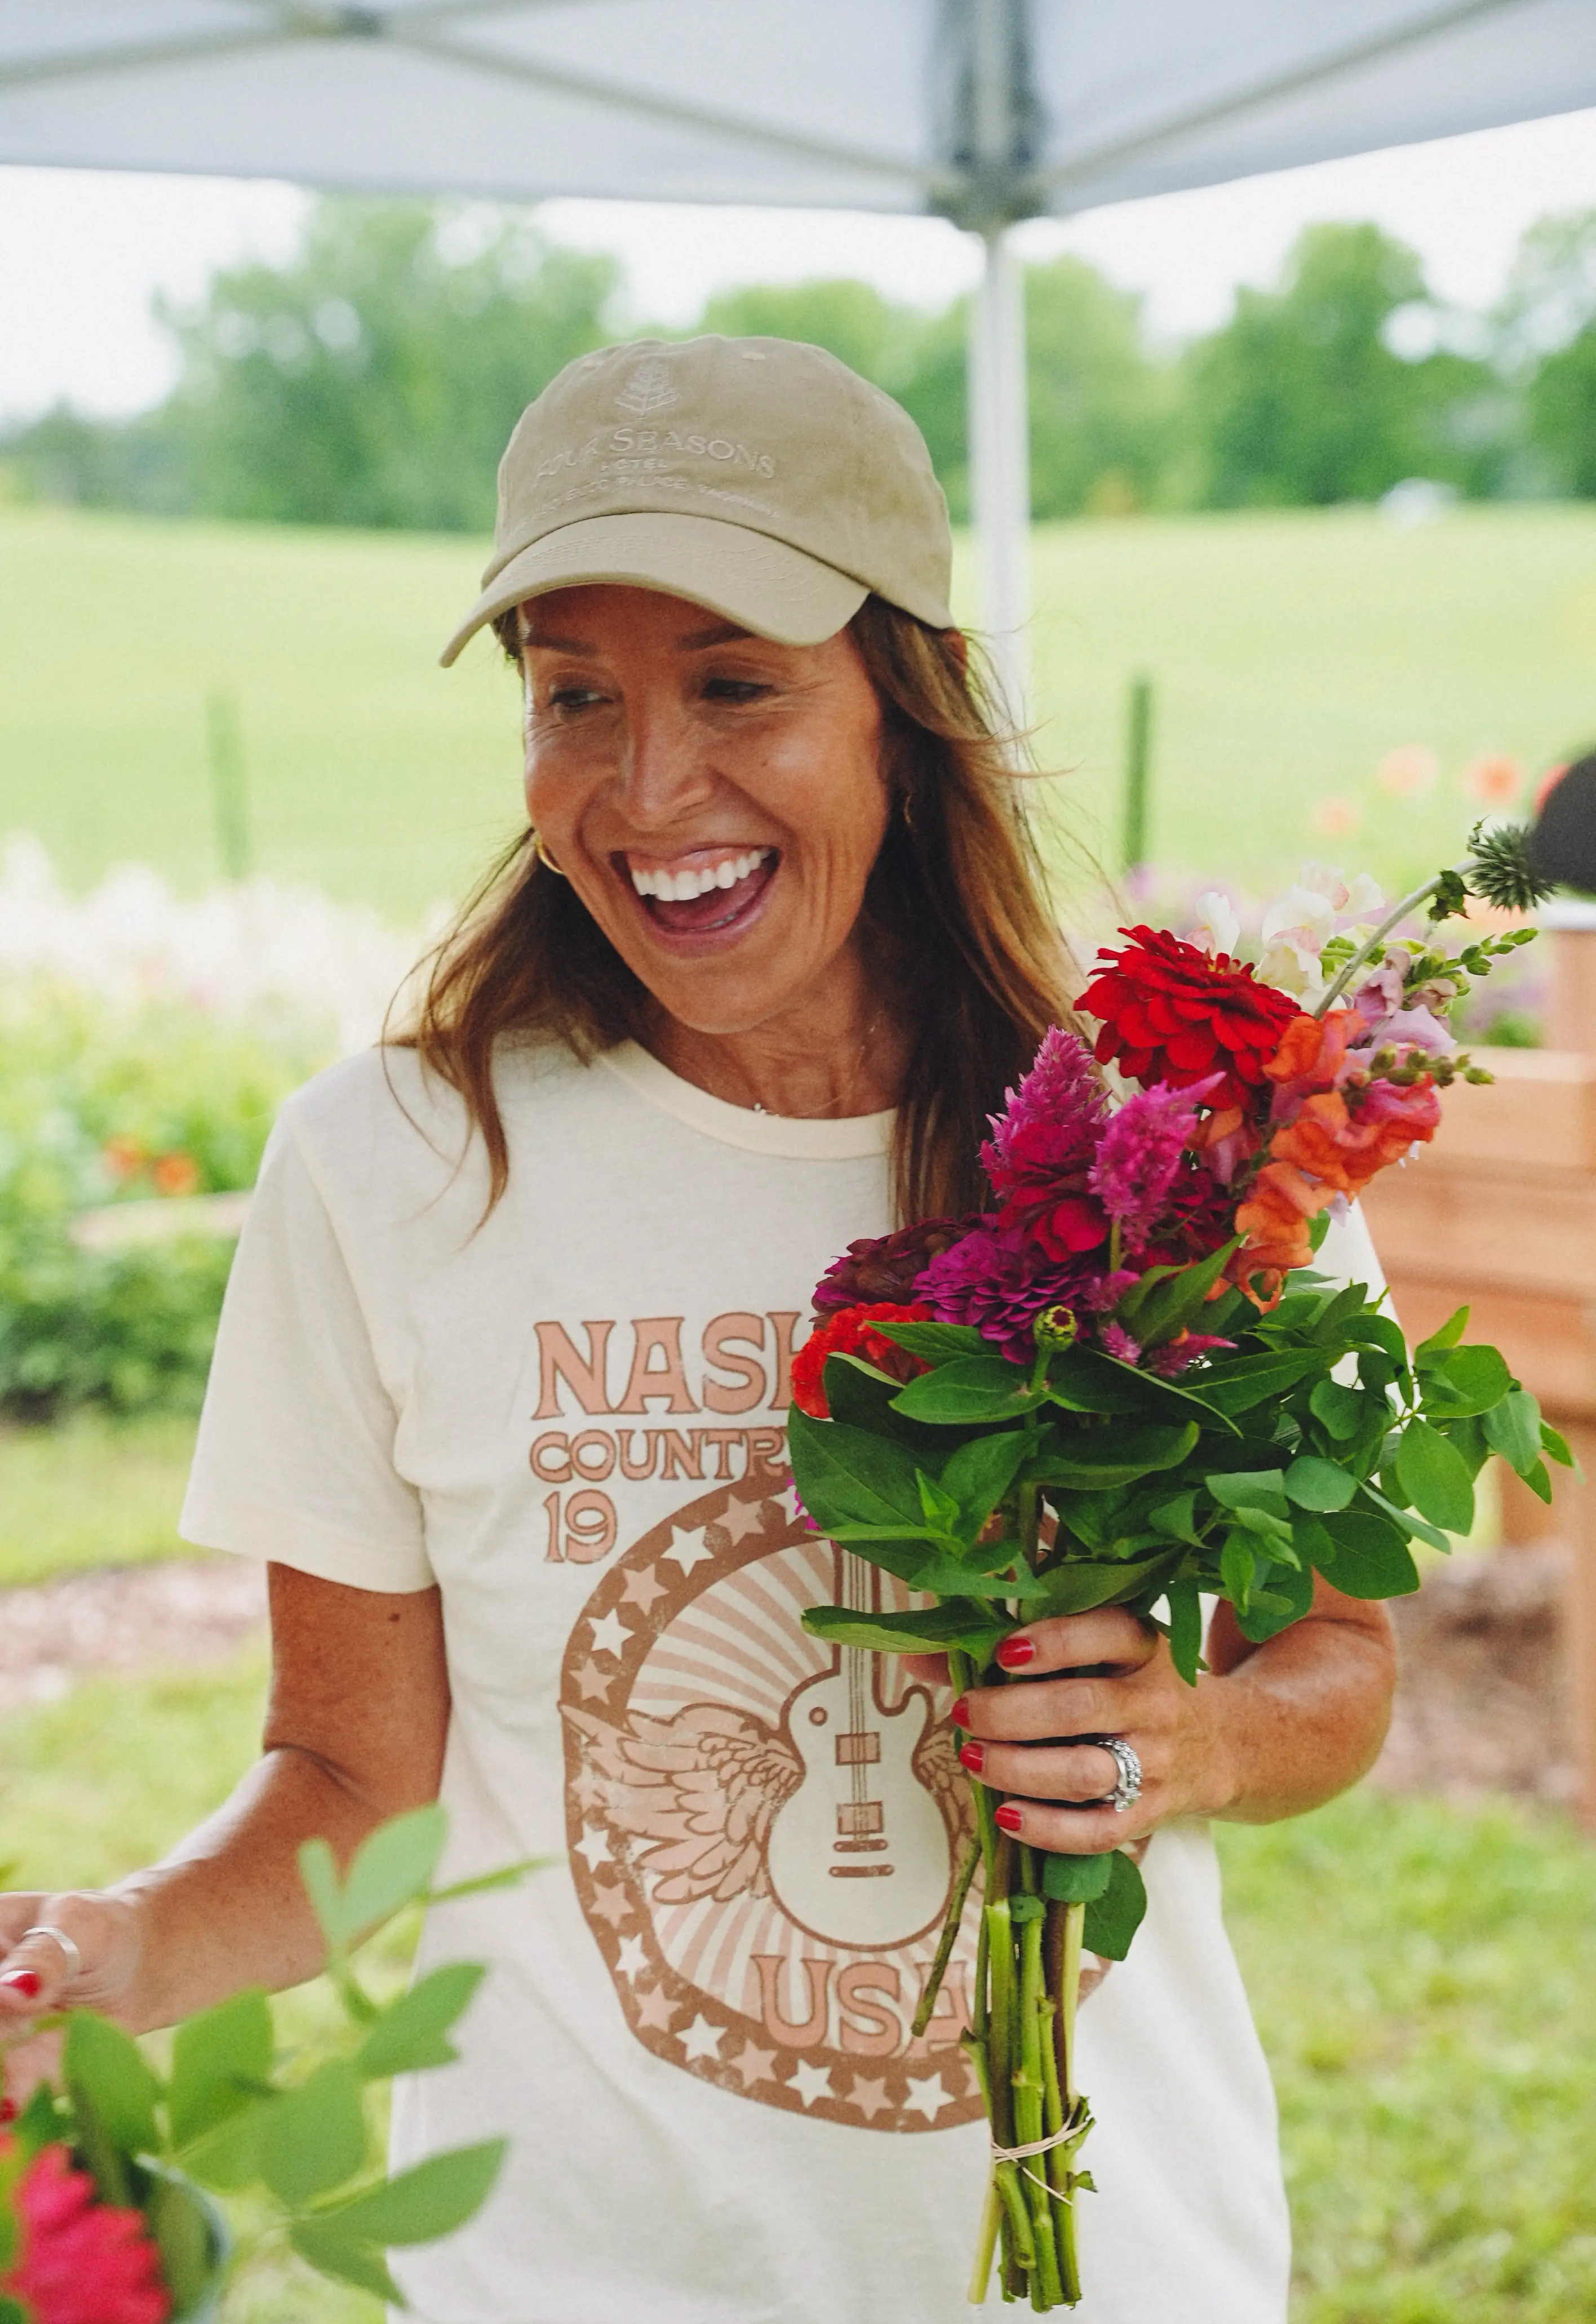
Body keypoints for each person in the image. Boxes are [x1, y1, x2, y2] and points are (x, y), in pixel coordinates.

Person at [0, 336, 1395, 2324]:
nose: (650, 791)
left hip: (1110, 2266)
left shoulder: (1184, 1143)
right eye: (577, 697)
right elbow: (346, 1774)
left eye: (736, 685)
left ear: (903, 712)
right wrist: (128, 1945)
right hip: (576, 2277)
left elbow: (1337, 1660)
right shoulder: (391, 1165)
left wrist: (1196, 1742)